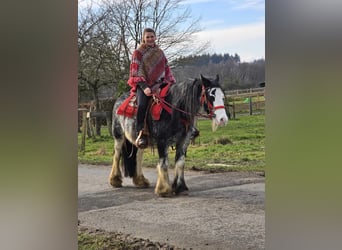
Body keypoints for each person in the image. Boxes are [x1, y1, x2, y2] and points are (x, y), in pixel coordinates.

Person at [127, 28, 176, 148]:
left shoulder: (160, 52)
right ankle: (141, 132)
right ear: (143, 38)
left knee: (174, 101)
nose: (150, 39)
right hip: (143, 85)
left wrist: (170, 82)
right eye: (147, 37)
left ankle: (175, 130)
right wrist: (144, 87)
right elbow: (135, 73)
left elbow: (166, 69)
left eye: (152, 36)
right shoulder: (137, 53)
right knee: (143, 105)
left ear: (155, 37)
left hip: (160, 84)